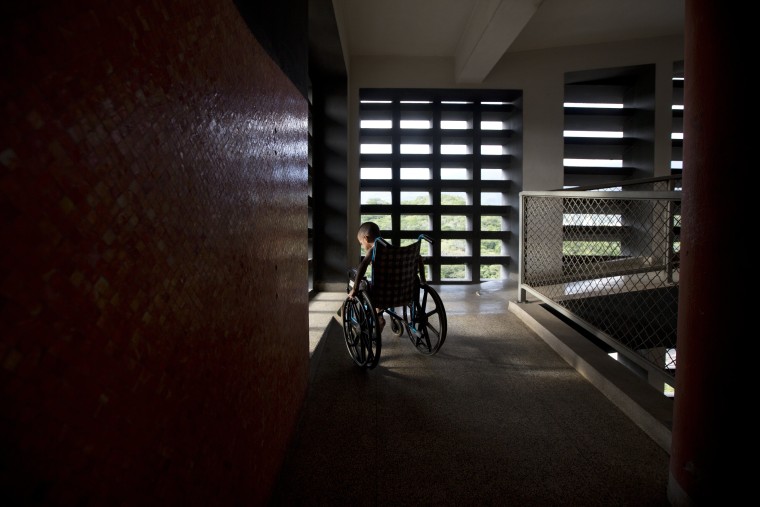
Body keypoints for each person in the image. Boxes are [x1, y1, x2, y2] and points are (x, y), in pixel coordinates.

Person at [347, 221, 385, 332]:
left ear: (366, 239)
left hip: (378, 292)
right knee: (380, 285)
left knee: (361, 283)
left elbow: (362, 267)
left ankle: (377, 316)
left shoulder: (373, 250)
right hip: (395, 290)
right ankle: (379, 314)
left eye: (361, 243)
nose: (363, 247)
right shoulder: (392, 249)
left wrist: (355, 288)